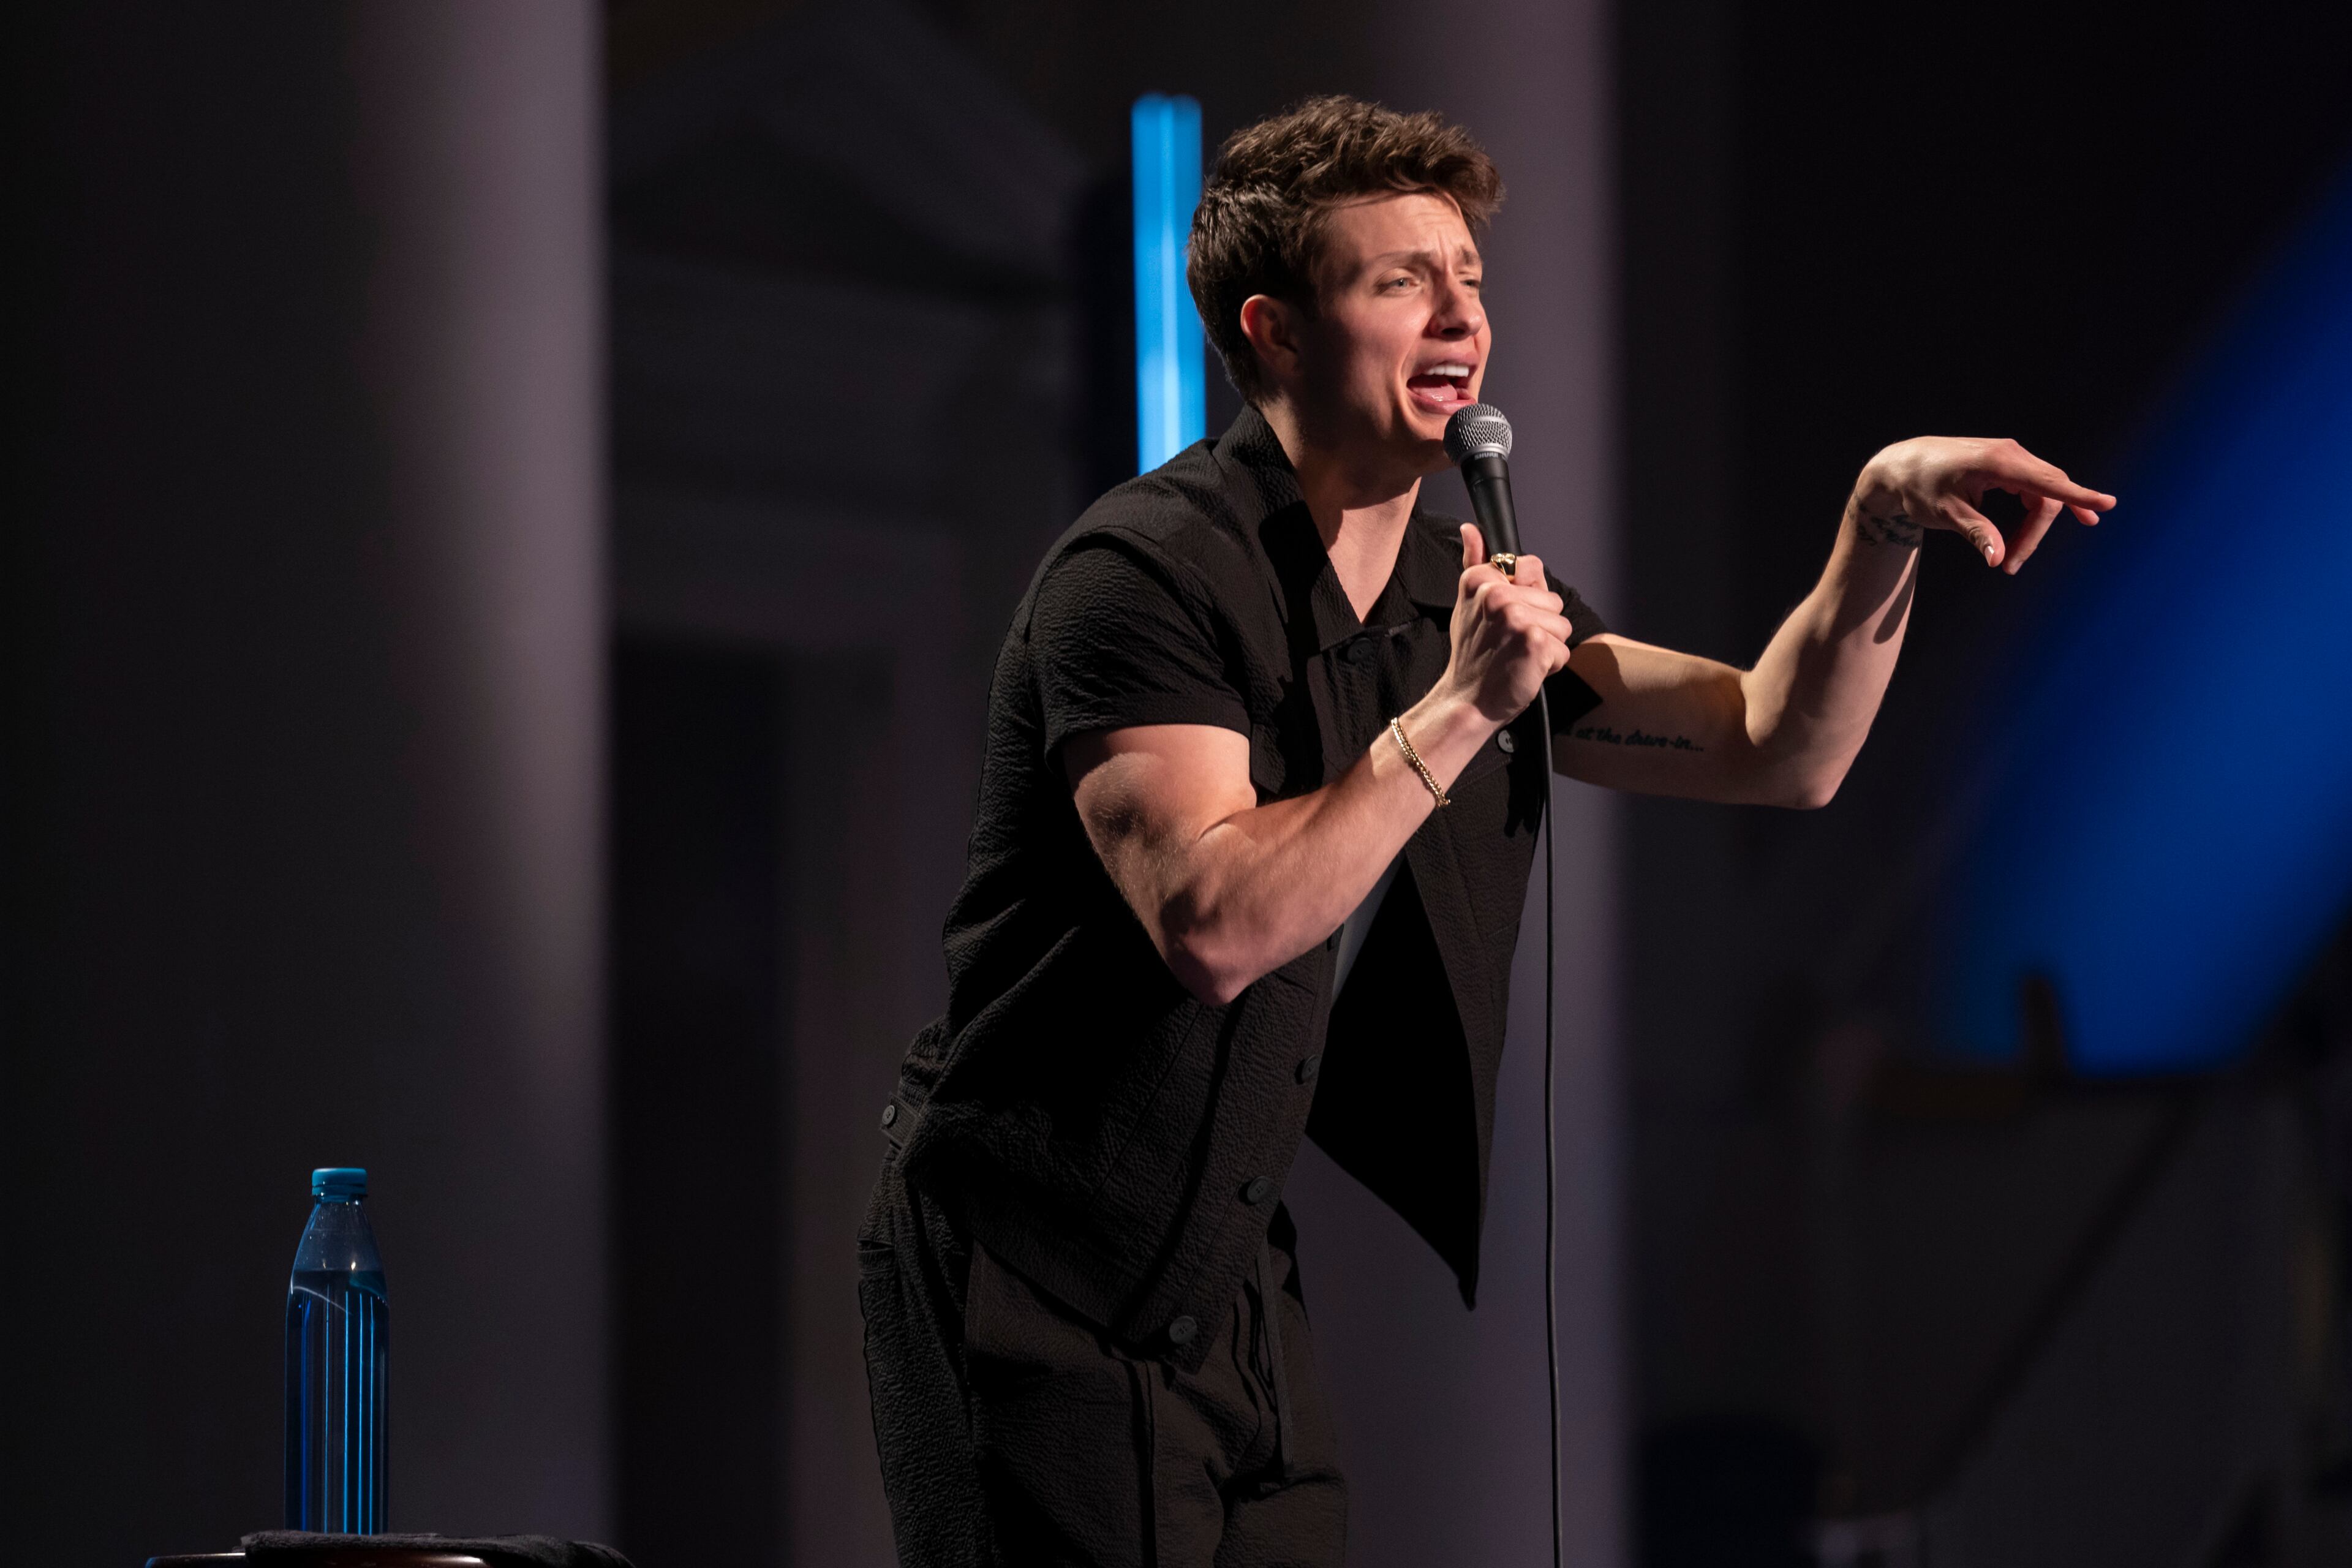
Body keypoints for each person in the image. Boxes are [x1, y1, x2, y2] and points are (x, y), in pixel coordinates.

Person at [857, 94, 2112, 1567]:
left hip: (1225, 1280)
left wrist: (1878, 519)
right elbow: (1215, 922)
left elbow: (1779, 747)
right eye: (1403, 281)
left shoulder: (1450, 598)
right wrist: (1460, 711)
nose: (1463, 316)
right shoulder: (1141, 576)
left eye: (1470, 278)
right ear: (1272, 329)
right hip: (1030, 1268)